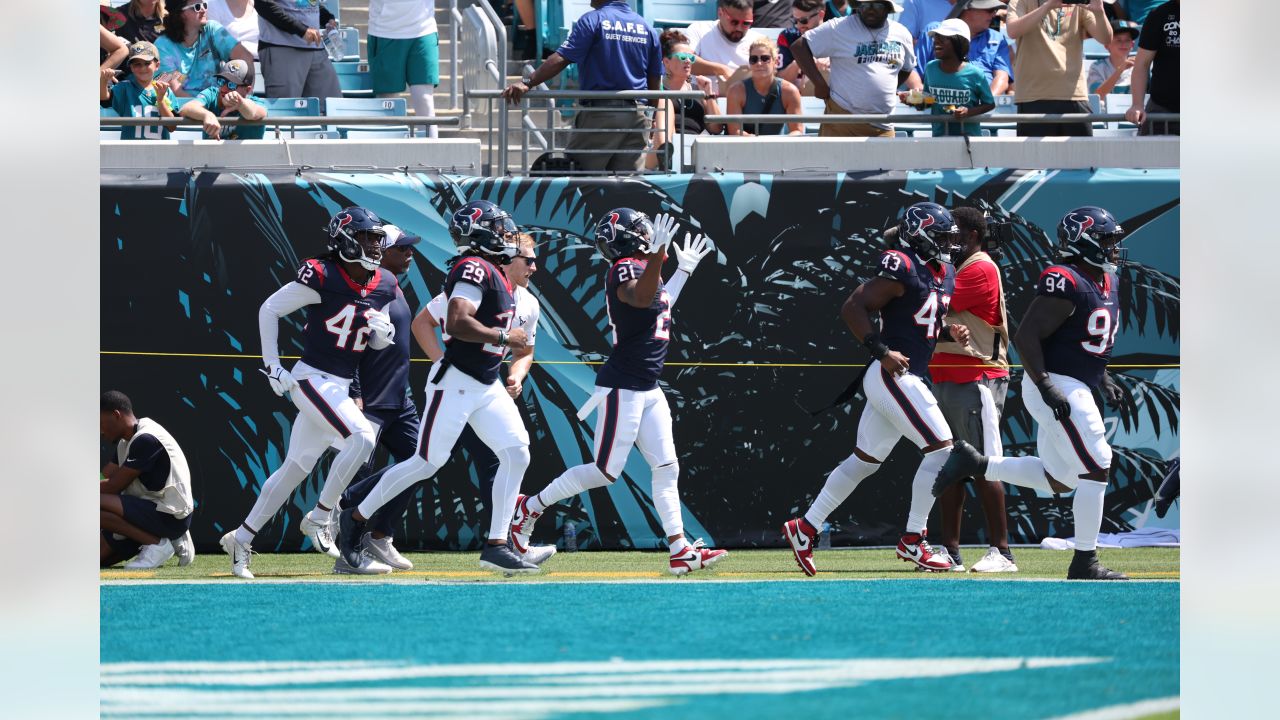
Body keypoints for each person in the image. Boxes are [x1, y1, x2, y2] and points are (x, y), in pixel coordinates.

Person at [508, 210, 728, 576]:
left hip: (648, 386)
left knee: (667, 467)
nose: (648, 231)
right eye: (640, 229)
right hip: (622, 385)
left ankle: (680, 550)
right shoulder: (624, 266)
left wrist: (682, 271)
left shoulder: (644, 269)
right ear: (628, 238)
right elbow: (640, 299)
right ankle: (529, 507)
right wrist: (657, 255)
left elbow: (659, 302)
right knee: (605, 471)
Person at [336, 201, 539, 576]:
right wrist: (503, 336)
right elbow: (459, 322)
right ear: (480, 234)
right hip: (458, 382)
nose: (507, 236)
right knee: (425, 462)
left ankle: (496, 544)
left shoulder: (494, 270)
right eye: (499, 229)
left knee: (517, 451)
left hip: (485, 381)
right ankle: (355, 517)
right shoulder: (473, 267)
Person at [934, 206, 1130, 581]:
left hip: (1075, 382)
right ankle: (1084, 561)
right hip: (1056, 383)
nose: (1113, 249)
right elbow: (1026, 337)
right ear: (1084, 242)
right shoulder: (1064, 279)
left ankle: (975, 464)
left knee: (1062, 478)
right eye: (1106, 241)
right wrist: (1046, 385)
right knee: (1097, 463)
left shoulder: (1108, 280)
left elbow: (1082, 339)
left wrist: (1101, 375)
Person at [782, 202, 970, 576]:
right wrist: (880, 351)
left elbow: (920, 319)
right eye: (941, 237)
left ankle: (805, 527)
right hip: (893, 375)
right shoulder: (900, 263)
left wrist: (948, 332)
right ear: (919, 235)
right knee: (943, 452)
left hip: (905, 374)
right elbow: (854, 306)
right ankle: (914, 540)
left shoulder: (943, 271)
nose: (948, 245)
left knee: (865, 461)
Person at [220, 208, 398, 579]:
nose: (375, 246)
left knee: (295, 467)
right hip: (312, 378)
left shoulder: (382, 283)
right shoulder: (322, 273)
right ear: (347, 240)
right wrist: (272, 365)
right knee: (362, 437)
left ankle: (242, 537)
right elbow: (269, 308)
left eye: (376, 238)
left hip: (341, 383)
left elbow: (366, 339)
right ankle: (320, 515)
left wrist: (382, 336)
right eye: (366, 238)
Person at [927, 207, 1016, 573]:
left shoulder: (979, 267)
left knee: (984, 464)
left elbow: (937, 301)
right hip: (948, 376)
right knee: (952, 467)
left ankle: (1003, 552)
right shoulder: (956, 267)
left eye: (954, 232)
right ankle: (950, 550)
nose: (946, 238)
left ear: (973, 236)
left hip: (977, 376)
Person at [502, 1, 663, 173]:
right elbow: (654, 80)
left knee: (577, 181)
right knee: (627, 188)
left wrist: (528, 82)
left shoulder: (594, 19)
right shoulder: (646, 27)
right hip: (637, 118)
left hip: (601, 115)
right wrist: (652, 118)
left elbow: (562, 58)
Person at [790, 0, 920, 138]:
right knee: (834, 160)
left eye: (877, 5)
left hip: (883, 125)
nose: (870, 9)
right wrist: (820, 84)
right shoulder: (839, 27)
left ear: (888, 9)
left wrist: (888, 88)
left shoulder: (901, 33)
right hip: (842, 119)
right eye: (864, 5)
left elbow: (907, 67)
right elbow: (799, 47)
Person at [100, 391, 195, 569]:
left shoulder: (146, 439)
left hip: (171, 517)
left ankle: (158, 544)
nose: (100, 431)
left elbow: (113, 486)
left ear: (116, 415)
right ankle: (161, 539)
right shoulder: (125, 441)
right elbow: (106, 475)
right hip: (146, 512)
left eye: (101, 423)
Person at [1006, 0, 1113, 137]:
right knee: (1037, 158)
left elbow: (1106, 38)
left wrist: (1099, 12)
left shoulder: (1078, 4)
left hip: (1074, 95)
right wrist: (1047, 6)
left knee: (1080, 157)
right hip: (1033, 96)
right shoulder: (1020, 1)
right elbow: (1013, 31)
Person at [646, 30, 726, 170]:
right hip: (663, 151)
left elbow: (716, 128)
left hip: (696, 151)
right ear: (666, 62)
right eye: (683, 57)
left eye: (691, 57)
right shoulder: (657, 89)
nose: (688, 61)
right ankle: (666, 152)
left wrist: (709, 94)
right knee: (666, 102)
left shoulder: (698, 90)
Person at [903, 18, 994, 136]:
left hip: (968, 141)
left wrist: (968, 112)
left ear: (959, 42)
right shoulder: (931, 68)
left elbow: (990, 104)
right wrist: (911, 99)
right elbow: (930, 99)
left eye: (943, 38)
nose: (936, 41)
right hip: (939, 138)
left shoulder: (975, 74)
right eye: (936, 37)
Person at [369, 0, 440, 138]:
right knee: (388, 104)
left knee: (424, 100)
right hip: (385, 31)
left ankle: (431, 157)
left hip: (424, 30)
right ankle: (390, 157)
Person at [155, 0, 254, 97]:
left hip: (218, 105)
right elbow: (176, 91)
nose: (203, 10)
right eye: (197, 7)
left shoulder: (212, 29)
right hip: (181, 107)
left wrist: (245, 96)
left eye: (204, 5)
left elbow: (245, 57)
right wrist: (203, 108)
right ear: (181, 13)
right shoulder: (163, 45)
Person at [256, 0, 342, 109]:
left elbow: (308, 3)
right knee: (285, 113)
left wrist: (327, 18)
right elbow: (263, 4)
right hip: (282, 48)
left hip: (316, 49)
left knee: (329, 110)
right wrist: (301, 30)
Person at [100, 40, 179, 141]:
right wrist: (103, 80)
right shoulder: (124, 88)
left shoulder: (165, 90)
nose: (142, 68)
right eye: (137, 64)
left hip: (160, 153)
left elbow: (172, 127)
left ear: (157, 65)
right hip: (131, 152)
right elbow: (104, 99)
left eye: (147, 63)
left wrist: (160, 100)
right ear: (131, 68)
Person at [684, 0, 767, 95]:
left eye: (746, 23)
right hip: (703, 102)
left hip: (746, 103)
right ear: (720, 13)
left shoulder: (758, 40)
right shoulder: (699, 30)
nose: (739, 28)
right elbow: (685, 60)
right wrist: (723, 70)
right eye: (734, 22)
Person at [725, 39, 805, 136]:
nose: (759, 63)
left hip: (778, 147)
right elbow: (735, 131)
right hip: (746, 147)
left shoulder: (790, 91)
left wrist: (780, 144)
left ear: (776, 62)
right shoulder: (736, 91)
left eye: (765, 58)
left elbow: (797, 130)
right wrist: (757, 143)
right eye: (753, 59)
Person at [177, 58, 267, 139]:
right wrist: (207, 115)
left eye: (231, 85)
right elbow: (185, 108)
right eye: (222, 81)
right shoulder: (212, 94)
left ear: (247, 90)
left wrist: (241, 104)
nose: (223, 88)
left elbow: (253, 113)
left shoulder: (256, 102)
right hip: (212, 156)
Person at [1125, 0, 1177, 136]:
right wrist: (1137, 104)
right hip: (1162, 109)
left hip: (1207, 111)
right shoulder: (1159, 14)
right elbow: (1142, 64)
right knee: (1152, 156)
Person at [777, 0, 828, 92]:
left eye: (803, 20)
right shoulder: (788, 36)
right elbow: (780, 81)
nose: (798, 25)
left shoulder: (836, 35)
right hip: (797, 98)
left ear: (821, 15)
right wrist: (801, 61)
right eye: (795, 20)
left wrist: (832, 61)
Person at [1088, 19, 1139, 96]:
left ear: (1132, 45)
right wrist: (1120, 70)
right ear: (1106, 45)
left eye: (1127, 40)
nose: (1123, 44)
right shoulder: (1097, 67)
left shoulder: (1139, 68)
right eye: (1118, 40)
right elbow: (1097, 96)